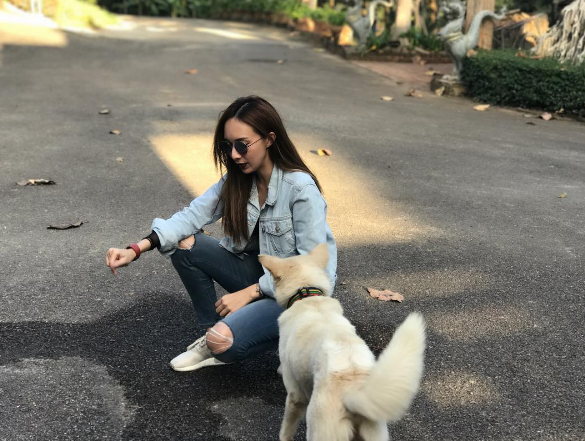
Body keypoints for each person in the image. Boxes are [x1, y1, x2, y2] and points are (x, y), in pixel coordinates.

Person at [106, 95, 337, 372]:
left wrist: (251, 292)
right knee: (185, 243)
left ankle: (299, 342)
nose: (234, 154)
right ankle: (211, 336)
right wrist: (136, 249)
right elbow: (192, 215)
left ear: (269, 139)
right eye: (228, 146)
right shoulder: (239, 180)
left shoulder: (300, 189)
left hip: (299, 296)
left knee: (224, 343)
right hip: (264, 276)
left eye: (243, 144)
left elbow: (310, 268)